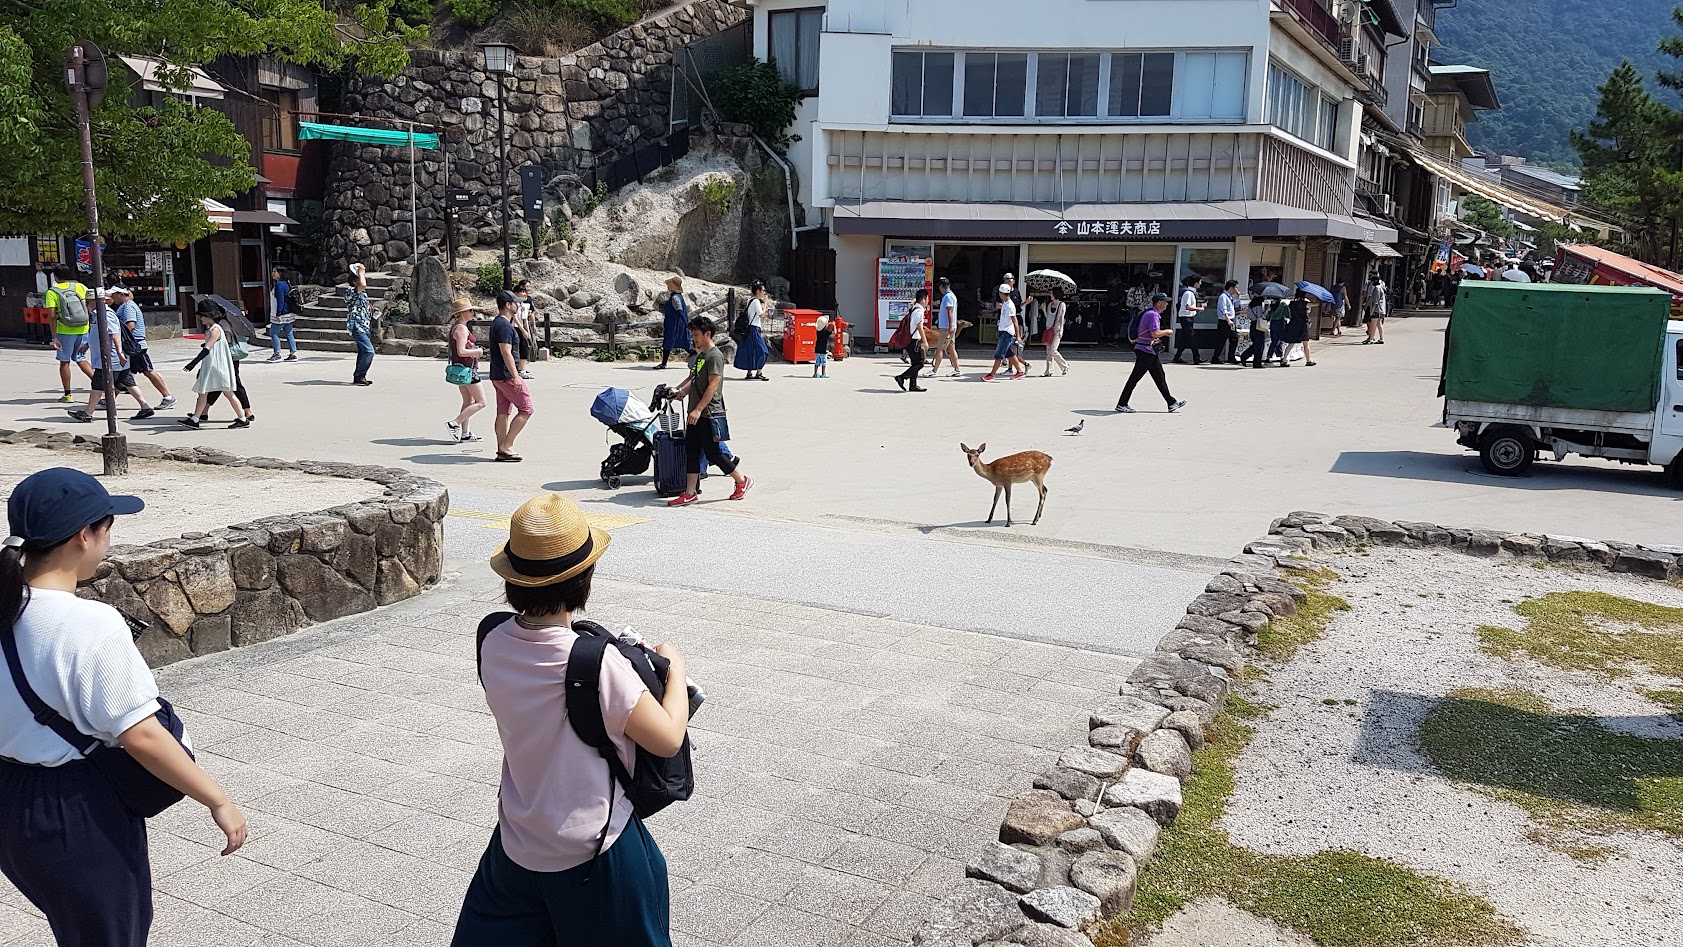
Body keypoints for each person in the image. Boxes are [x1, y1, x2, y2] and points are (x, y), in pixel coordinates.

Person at [0, 468, 248, 947]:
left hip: (11, 795)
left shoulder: (8, 604)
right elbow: (141, 734)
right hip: (74, 811)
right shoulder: (89, 624)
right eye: (108, 527)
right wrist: (218, 800)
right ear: (83, 535)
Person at [449, 492, 688, 946]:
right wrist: (675, 670)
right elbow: (667, 738)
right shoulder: (596, 663)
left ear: (514, 580)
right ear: (584, 579)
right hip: (596, 850)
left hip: (518, 840)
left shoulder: (492, 639)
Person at [667, 316, 751, 506]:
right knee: (692, 451)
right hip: (696, 413)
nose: (693, 338)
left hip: (708, 413)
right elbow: (693, 379)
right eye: (692, 335)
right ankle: (690, 492)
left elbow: (713, 386)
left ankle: (741, 480)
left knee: (713, 453)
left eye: (696, 335)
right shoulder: (700, 355)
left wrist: (697, 409)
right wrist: (679, 391)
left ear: (707, 334)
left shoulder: (714, 356)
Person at [70, 288, 154, 423]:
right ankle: (145, 406)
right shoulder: (99, 314)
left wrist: (120, 352)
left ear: (94, 301)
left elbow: (114, 333)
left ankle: (87, 413)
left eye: (87, 302)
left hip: (110, 357)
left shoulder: (105, 314)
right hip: (115, 358)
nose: (86, 305)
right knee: (128, 381)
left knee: (98, 385)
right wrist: (87, 344)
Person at [180, 305, 251, 429]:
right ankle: (196, 419)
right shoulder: (212, 329)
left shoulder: (216, 329)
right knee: (208, 392)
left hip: (216, 365)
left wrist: (193, 363)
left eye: (202, 316)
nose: (200, 318)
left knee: (223, 392)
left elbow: (207, 349)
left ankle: (242, 418)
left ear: (209, 316)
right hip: (214, 364)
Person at [1116, 293, 1184, 413]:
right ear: (1159, 303)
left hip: (1147, 350)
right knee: (1135, 378)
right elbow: (1154, 333)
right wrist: (1167, 331)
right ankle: (1122, 404)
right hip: (1146, 351)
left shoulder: (1150, 313)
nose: (1167, 304)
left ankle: (1171, 402)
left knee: (1159, 377)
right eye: (1165, 301)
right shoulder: (1153, 315)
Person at [488, 290, 533, 463]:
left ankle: (502, 449)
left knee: (503, 412)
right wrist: (516, 376)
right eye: (515, 303)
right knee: (526, 408)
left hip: (497, 374)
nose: (518, 305)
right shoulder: (505, 326)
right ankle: (507, 445)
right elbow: (506, 352)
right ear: (508, 305)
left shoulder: (498, 323)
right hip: (506, 375)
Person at [111, 287, 175, 408]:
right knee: (123, 374)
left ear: (120, 294)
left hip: (135, 346)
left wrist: (119, 337)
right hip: (133, 345)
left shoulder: (128, 306)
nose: (112, 298)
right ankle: (110, 399)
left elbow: (131, 325)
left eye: (113, 295)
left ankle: (168, 396)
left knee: (148, 371)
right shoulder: (126, 305)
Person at [46, 266, 95, 404]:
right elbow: (91, 302)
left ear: (56, 277)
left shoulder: (52, 292)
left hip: (64, 330)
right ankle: (100, 384)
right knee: (81, 358)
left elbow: (51, 315)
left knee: (64, 361)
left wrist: (54, 335)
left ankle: (68, 394)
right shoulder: (80, 287)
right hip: (83, 327)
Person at [200, 303, 256, 425]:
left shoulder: (222, 324)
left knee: (234, 383)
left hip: (229, 357)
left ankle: (247, 411)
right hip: (222, 358)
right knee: (219, 385)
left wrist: (211, 342)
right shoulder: (215, 325)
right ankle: (203, 412)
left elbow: (227, 339)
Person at [446, 299, 486, 444]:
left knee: (468, 401)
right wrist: (478, 351)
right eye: (470, 310)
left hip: (461, 368)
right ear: (462, 313)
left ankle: (465, 433)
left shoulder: (456, 327)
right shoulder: (461, 329)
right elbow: (461, 351)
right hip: (467, 369)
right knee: (481, 402)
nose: (472, 313)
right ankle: (455, 423)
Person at [982, 284, 1025, 381]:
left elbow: (1015, 321)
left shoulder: (1009, 305)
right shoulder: (1005, 303)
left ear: (1002, 294)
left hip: (1007, 333)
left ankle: (992, 374)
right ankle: (1019, 371)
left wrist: (1018, 336)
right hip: (1003, 331)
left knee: (999, 354)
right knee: (1009, 353)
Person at [733, 280, 770, 381]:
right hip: (754, 328)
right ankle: (759, 372)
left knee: (750, 350)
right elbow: (761, 314)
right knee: (763, 351)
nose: (764, 293)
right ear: (758, 291)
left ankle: (749, 372)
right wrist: (766, 305)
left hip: (749, 328)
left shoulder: (750, 300)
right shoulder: (756, 301)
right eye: (763, 290)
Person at [345, 264, 375, 386]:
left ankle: (359, 376)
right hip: (357, 325)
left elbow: (362, 305)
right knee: (369, 351)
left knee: (363, 352)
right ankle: (360, 374)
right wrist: (361, 271)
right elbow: (363, 284)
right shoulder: (350, 291)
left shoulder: (362, 293)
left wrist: (372, 309)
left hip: (365, 324)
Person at [895, 289, 929, 392]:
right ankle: (901, 377)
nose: (928, 301)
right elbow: (919, 327)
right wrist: (925, 341)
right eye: (927, 299)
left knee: (915, 363)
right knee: (920, 363)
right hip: (914, 341)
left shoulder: (914, 309)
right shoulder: (919, 311)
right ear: (923, 299)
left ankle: (913, 385)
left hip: (910, 340)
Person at [926, 276, 961, 377]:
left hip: (946, 328)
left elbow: (949, 312)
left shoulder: (947, 297)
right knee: (950, 349)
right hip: (948, 327)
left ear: (942, 287)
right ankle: (957, 369)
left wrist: (950, 326)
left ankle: (934, 370)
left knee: (939, 348)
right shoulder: (951, 295)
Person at [657, 276, 690, 370]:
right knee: (680, 343)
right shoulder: (677, 297)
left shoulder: (675, 298)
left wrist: (686, 323)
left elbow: (679, 310)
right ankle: (663, 363)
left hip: (675, 324)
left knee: (670, 342)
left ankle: (663, 364)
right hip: (676, 323)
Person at [266, 267, 298, 362]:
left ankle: (277, 353)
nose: (272, 273)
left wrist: (278, 313)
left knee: (273, 332)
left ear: (280, 273)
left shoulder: (279, 285)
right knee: (289, 334)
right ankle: (293, 353)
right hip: (289, 313)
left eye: (274, 271)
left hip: (282, 313)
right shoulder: (286, 283)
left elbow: (281, 300)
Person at [1171, 275, 1205, 365]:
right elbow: (1188, 307)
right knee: (1192, 338)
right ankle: (1196, 357)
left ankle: (1177, 357)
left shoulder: (1190, 292)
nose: (1201, 284)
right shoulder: (1189, 293)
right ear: (1196, 282)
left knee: (1185, 339)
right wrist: (1199, 309)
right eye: (1200, 282)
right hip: (1186, 318)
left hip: (1188, 318)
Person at [1281, 290, 1317, 367]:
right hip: (1302, 325)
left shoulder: (1291, 304)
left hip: (1293, 324)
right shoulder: (1305, 304)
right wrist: (1316, 297)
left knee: (1291, 343)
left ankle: (1284, 360)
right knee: (1305, 344)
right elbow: (1317, 304)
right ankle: (1308, 360)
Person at [1042, 287, 1069, 376]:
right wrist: (1044, 310)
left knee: (1053, 350)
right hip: (1049, 329)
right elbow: (1049, 318)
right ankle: (1048, 370)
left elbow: (1062, 318)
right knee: (1048, 352)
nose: (1050, 295)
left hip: (1056, 329)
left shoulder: (1062, 305)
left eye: (1051, 293)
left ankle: (1065, 365)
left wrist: (1061, 329)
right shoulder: (1050, 305)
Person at [513, 279, 536, 380]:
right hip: (514, 327)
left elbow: (525, 318)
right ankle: (516, 369)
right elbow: (515, 317)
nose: (524, 294)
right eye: (521, 292)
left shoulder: (524, 304)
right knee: (515, 349)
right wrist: (522, 330)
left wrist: (527, 330)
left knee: (524, 348)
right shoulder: (513, 304)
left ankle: (521, 369)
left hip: (522, 328)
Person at [1214, 280, 1240, 364]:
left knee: (1234, 338)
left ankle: (1231, 357)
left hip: (1230, 321)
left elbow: (1235, 306)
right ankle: (1215, 357)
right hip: (1224, 321)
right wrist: (1228, 320)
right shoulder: (1223, 297)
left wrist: (1238, 297)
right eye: (1235, 287)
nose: (1236, 289)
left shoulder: (1230, 297)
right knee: (1221, 340)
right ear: (1231, 288)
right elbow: (1223, 309)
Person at [1244, 296, 1270, 369]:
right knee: (1259, 346)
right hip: (1259, 325)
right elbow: (1261, 316)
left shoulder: (1250, 305)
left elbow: (1249, 316)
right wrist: (1267, 310)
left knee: (1256, 344)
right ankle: (1256, 362)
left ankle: (1245, 356)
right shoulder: (1259, 306)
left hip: (1253, 325)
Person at [1363, 275, 1387, 345]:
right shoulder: (1381, 288)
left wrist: (1372, 311)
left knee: (1373, 324)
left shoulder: (1376, 288)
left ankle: (1371, 339)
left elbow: (1375, 301)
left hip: (1376, 309)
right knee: (1379, 324)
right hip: (1381, 309)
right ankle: (1381, 338)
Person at [813, 315, 832, 379]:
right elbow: (834, 332)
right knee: (823, 362)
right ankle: (823, 374)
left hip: (817, 349)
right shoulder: (826, 332)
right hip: (823, 350)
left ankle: (815, 373)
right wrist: (834, 325)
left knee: (817, 362)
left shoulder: (818, 331)